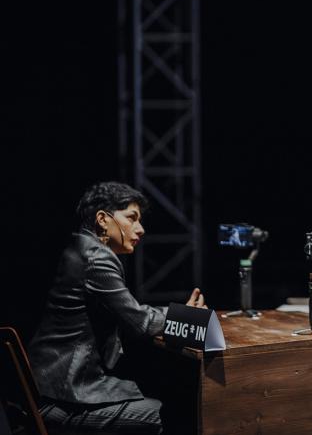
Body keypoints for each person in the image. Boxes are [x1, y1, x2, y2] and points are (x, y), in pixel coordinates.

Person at [27, 182, 208, 434]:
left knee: (162, 391)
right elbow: (140, 322)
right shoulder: (96, 257)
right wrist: (189, 318)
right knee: (181, 412)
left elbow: (130, 310)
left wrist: (177, 313)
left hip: (46, 390)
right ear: (103, 219)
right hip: (64, 397)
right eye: (131, 218)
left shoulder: (81, 247)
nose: (141, 229)